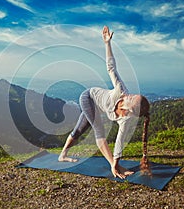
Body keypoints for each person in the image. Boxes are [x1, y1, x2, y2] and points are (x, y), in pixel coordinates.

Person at [58, 26, 151, 179]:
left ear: (130, 110)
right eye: (133, 95)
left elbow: (119, 141)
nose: (129, 95)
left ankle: (62, 155)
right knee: (99, 129)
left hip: (96, 107)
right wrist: (107, 43)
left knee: (79, 130)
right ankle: (64, 155)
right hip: (88, 97)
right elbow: (111, 68)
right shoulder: (121, 90)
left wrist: (117, 162)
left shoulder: (126, 119)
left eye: (131, 98)